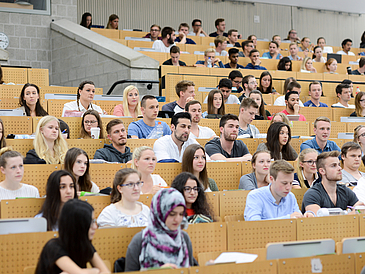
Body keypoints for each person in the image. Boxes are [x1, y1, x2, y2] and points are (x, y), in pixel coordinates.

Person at [124, 188, 197, 271]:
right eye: (172, 214)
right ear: (159, 213)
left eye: (181, 214)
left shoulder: (184, 238)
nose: (177, 219)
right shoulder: (140, 240)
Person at [35, 199, 110, 274]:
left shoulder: (84, 244)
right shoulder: (53, 247)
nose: (95, 227)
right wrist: (96, 271)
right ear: (78, 225)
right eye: (90, 222)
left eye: (94, 221)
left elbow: (106, 272)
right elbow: (79, 273)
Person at [244, 159, 311, 221]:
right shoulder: (255, 196)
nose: (288, 188)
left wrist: (305, 217)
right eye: (284, 183)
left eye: (291, 183)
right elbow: (254, 224)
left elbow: (297, 217)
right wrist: (288, 218)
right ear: (271, 179)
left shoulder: (291, 197)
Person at [302, 151, 363, 215]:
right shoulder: (312, 194)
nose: (339, 168)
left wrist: (358, 211)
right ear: (322, 171)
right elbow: (318, 220)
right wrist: (350, 214)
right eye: (333, 166)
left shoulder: (345, 191)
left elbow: (360, 210)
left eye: (339, 165)